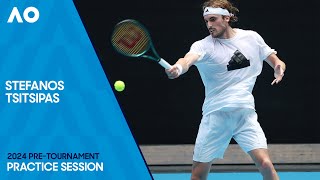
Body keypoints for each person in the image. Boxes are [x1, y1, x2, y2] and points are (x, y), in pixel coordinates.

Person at [165, 0, 286, 179]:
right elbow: (187, 59)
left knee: (266, 163)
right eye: (206, 21)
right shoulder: (203, 45)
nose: (209, 25)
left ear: (227, 18)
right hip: (216, 116)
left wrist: (278, 66)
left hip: (244, 114)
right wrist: (178, 68)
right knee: (198, 175)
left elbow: (274, 59)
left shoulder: (251, 38)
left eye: (213, 19)